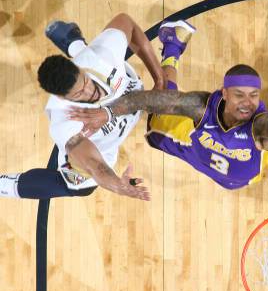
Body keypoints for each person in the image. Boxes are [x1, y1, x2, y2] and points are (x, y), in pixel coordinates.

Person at [67, 21, 268, 190]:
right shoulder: (200, 106)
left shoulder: (260, 124)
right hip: (198, 154)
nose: (248, 103)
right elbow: (146, 100)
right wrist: (108, 111)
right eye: (239, 95)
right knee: (156, 122)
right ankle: (174, 47)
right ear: (224, 93)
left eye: (253, 95)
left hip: (248, 175)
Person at [0, 13, 165, 201]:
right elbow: (94, 165)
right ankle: (4, 186)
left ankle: (75, 44)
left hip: (132, 93)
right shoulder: (64, 121)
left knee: (91, 54)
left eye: (85, 83)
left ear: (80, 69)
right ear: (62, 97)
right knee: (81, 186)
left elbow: (128, 23)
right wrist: (118, 186)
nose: (90, 93)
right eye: (79, 95)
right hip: (102, 145)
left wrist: (159, 78)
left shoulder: (102, 56)